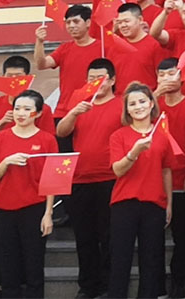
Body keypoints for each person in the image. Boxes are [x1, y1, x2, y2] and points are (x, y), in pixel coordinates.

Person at [0, 57, 55, 298]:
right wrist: (6, 162)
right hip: (3, 208)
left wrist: (48, 213)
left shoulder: (46, 139)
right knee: (8, 267)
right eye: (18, 108)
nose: (21, 113)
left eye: (27, 109)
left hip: (34, 207)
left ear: (37, 113)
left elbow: (51, 179)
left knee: (34, 267)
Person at [57, 58, 123, 299]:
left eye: (101, 78)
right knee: (84, 237)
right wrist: (74, 112)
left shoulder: (122, 104)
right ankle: (87, 286)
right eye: (91, 78)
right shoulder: (79, 102)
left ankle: (108, 285)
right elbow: (61, 132)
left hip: (111, 178)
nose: (96, 83)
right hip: (80, 179)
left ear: (112, 80)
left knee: (109, 236)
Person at [107, 83, 175, 299]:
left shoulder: (162, 135)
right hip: (124, 203)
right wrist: (134, 152)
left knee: (152, 259)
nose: (138, 107)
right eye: (132, 104)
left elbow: (166, 171)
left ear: (151, 104)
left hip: (154, 203)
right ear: (127, 109)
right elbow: (118, 170)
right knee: (120, 258)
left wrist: (169, 204)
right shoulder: (119, 136)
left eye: (142, 101)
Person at [152, 58, 185, 299]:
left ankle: (179, 283)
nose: (166, 79)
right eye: (161, 74)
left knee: (181, 236)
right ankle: (156, 286)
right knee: (153, 238)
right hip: (155, 183)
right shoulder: (150, 104)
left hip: (183, 179)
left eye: (171, 74)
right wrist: (154, 95)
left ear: (182, 76)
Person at [34, 4, 100, 134]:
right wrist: (39, 42)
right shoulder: (65, 49)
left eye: (76, 21)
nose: (71, 26)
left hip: (92, 108)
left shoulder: (103, 47)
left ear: (88, 23)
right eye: (68, 22)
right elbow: (42, 64)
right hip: (64, 110)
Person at [109, 3, 167, 93]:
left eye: (126, 21)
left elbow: (162, 77)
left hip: (146, 98)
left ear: (140, 19)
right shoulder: (115, 46)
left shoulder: (154, 45)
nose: (123, 25)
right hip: (120, 98)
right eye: (119, 22)